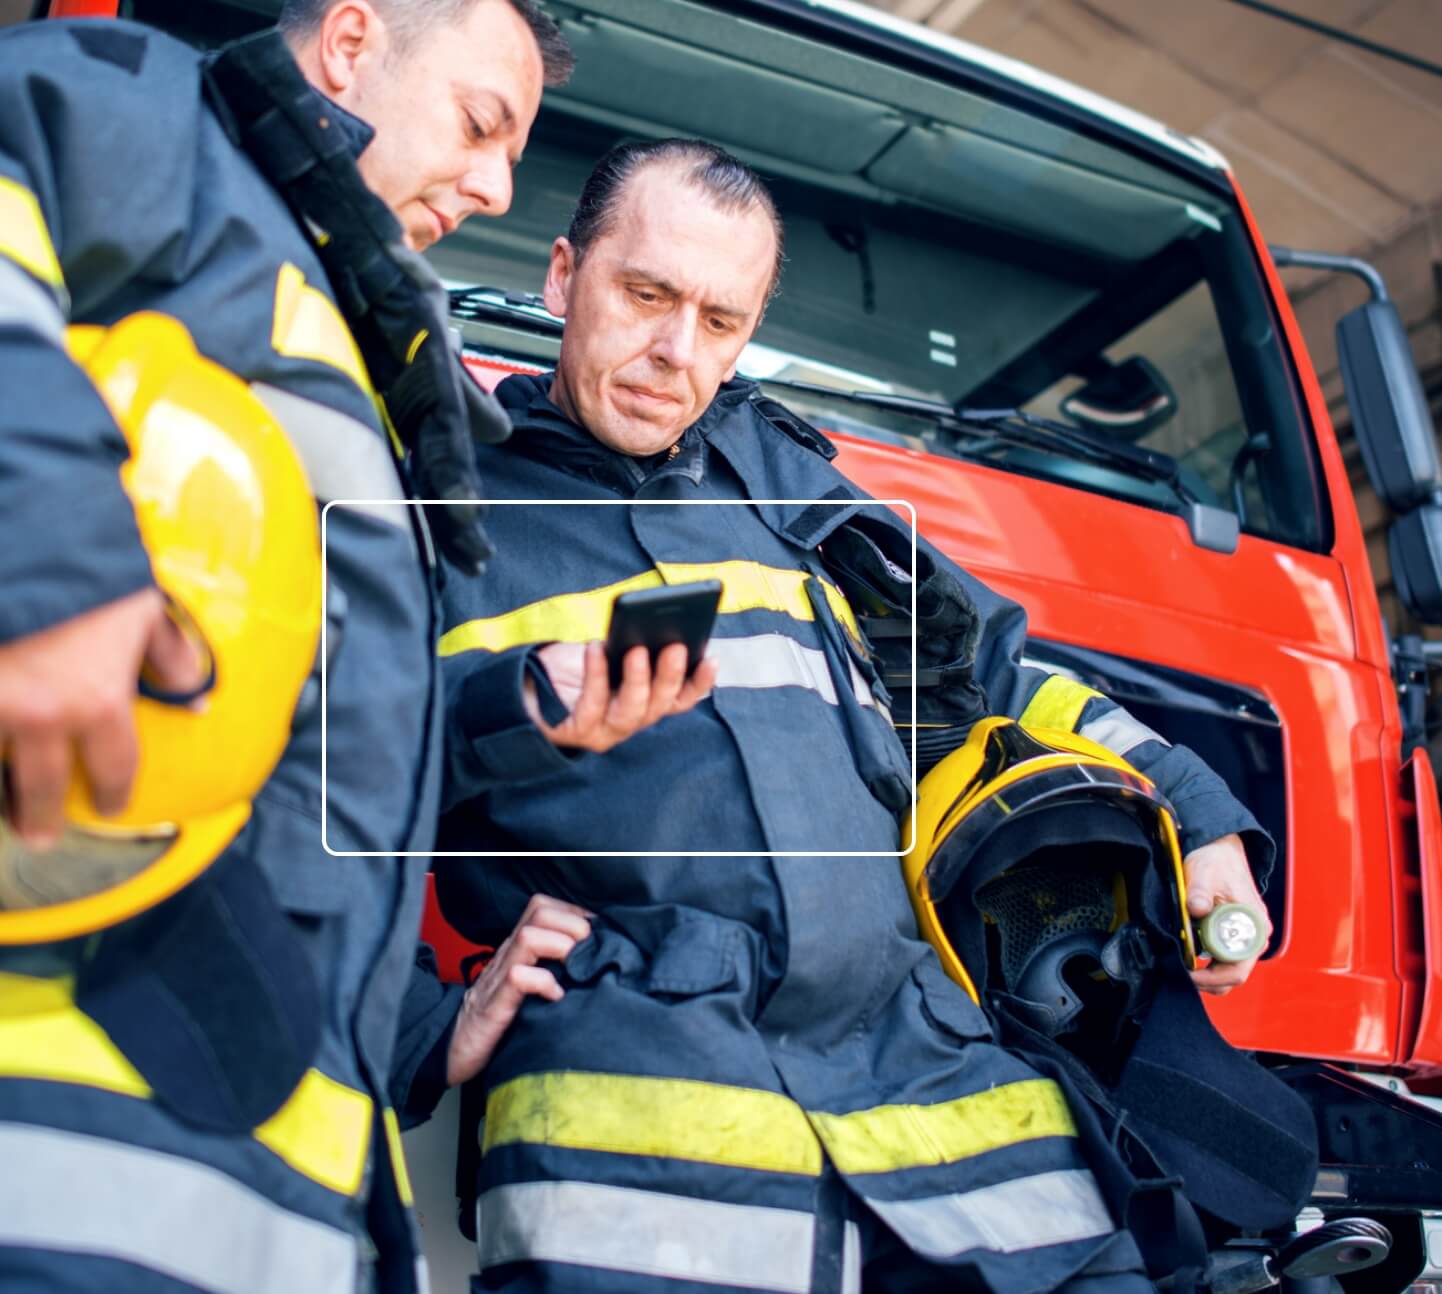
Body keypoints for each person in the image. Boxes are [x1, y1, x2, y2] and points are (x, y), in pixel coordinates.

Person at [432, 139, 1277, 1292]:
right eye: (643, 295)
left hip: (936, 1085)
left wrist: (1194, 814)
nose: (675, 354)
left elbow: (992, 679)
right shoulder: (439, 508)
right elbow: (311, 786)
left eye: (721, 322)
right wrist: (431, 1024)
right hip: (639, 1137)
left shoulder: (796, 491)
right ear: (561, 277)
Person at [0, 3, 623, 1291]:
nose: (497, 184)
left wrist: (413, 1034)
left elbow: (303, 779)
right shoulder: (152, 117)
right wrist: (48, 559)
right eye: (478, 124)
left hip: (271, 1179)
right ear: (349, 43)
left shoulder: (356, 338)